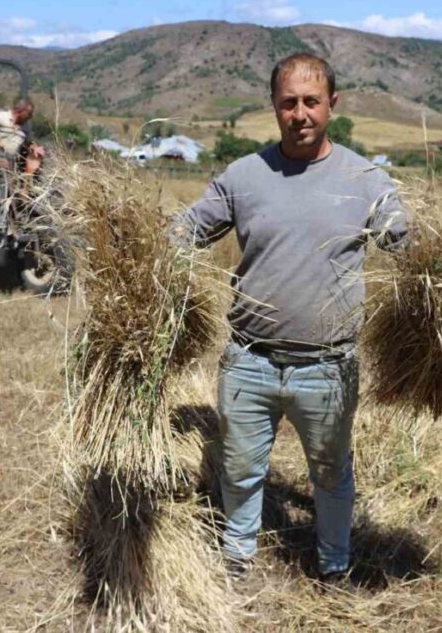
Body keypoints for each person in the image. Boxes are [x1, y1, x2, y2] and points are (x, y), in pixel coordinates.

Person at [175, 53, 409, 585]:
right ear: (274, 107)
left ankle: (332, 566)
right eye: (288, 102)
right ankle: (237, 558)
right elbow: (183, 233)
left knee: (330, 474)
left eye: (311, 101)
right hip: (250, 361)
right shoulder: (244, 175)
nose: (300, 113)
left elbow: (412, 249)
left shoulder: (366, 179)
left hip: (327, 368)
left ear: (332, 105)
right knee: (239, 468)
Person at [0, 98, 44, 172]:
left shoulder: (26, 127)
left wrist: (35, 147)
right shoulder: (0, 117)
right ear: (20, 111)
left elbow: (28, 143)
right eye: (29, 113)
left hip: (11, 163)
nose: (30, 117)